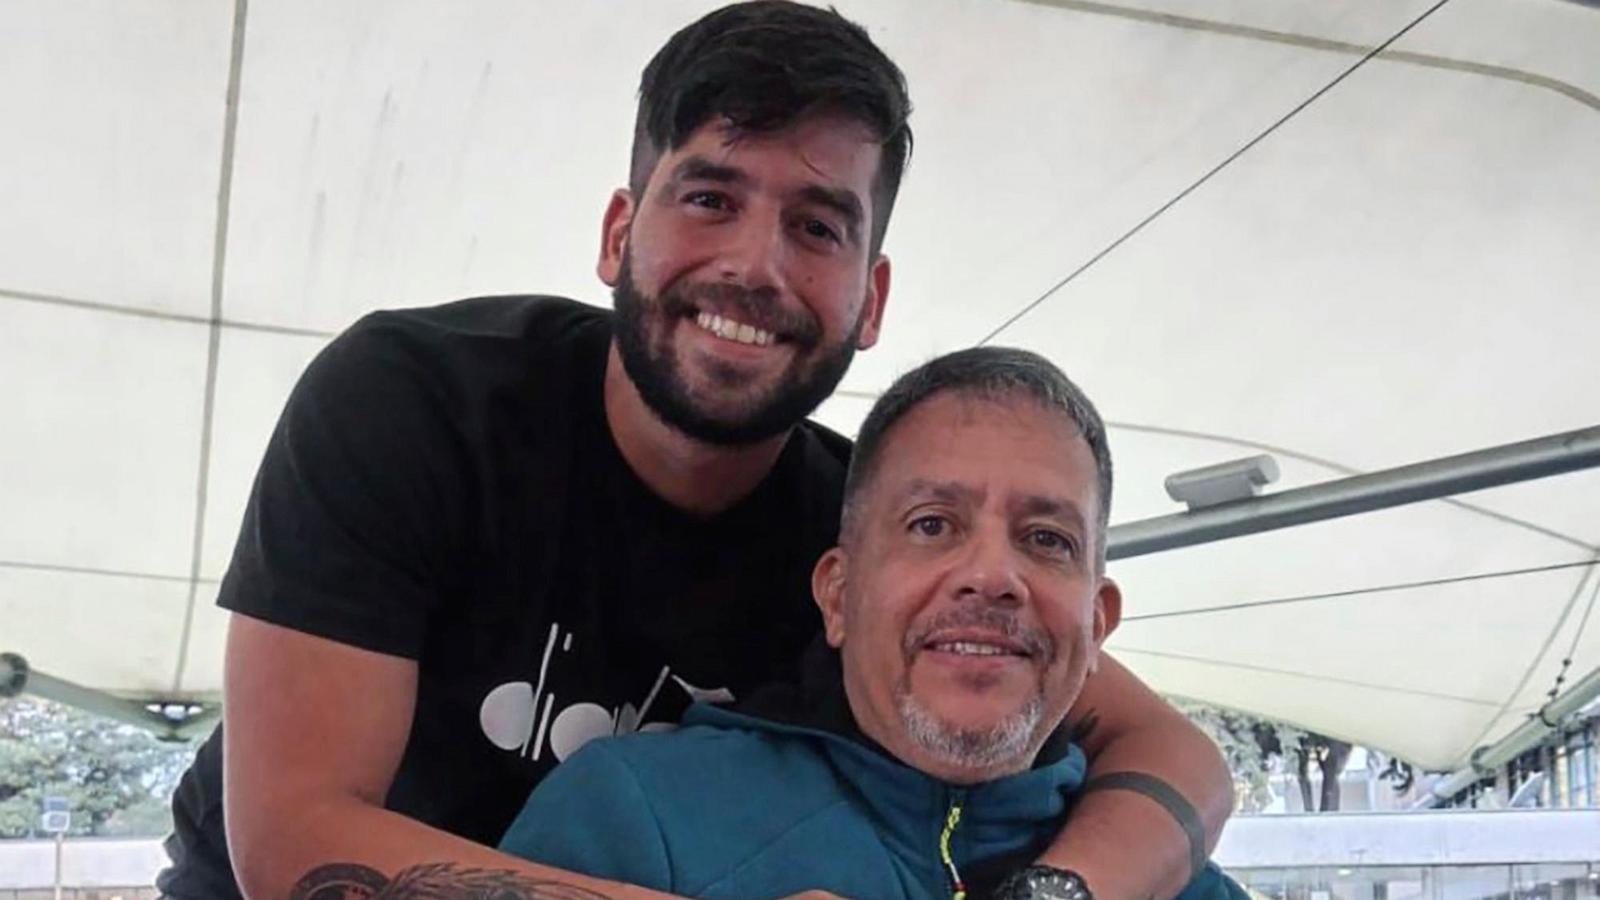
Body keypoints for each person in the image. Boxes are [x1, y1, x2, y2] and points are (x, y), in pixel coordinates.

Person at [157, 3, 1232, 899]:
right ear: (618, 234)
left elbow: (1175, 754)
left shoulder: (865, 535)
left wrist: (1058, 892)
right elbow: (297, 842)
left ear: (871, 299)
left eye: (818, 227)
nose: (755, 266)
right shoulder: (415, 405)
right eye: (711, 199)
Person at [499, 347, 1246, 900]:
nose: (992, 575)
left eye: (1046, 539)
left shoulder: (1175, 881)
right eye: (932, 524)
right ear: (837, 596)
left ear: (1098, 622)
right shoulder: (631, 814)